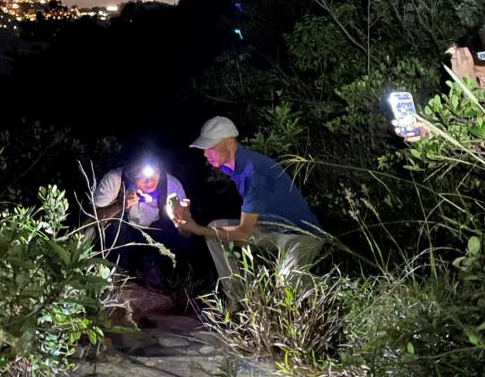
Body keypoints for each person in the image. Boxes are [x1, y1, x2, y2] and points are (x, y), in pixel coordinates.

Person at [171, 116, 324, 301]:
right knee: (215, 231)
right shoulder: (234, 168)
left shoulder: (253, 171)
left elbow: (243, 233)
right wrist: (192, 223)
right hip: (271, 231)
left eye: (210, 148)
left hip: (302, 234)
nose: (205, 154)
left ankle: (343, 292)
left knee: (286, 282)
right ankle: (238, 300)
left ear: (229, 142)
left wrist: (195, 228)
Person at [93, 154, 189, 289]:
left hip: (154, 235)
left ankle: (167, 277)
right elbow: (90, 220)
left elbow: (185, 232)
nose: (149, 180)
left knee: (174, 230)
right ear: (131, 175)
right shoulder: (114, 180)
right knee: (113, 222)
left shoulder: (172, 185)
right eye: (141, 176)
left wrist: (182, 221)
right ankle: (117, 278)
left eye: (154, 173)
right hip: (122, 237)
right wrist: (119, 205)